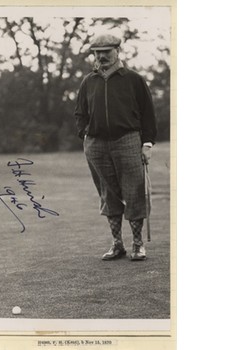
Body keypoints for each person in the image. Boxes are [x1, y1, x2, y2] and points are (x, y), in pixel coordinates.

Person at [74, 33, 157, 261]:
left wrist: (147, 143)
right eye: (98, 53)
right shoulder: (88, 81)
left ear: (117, 52)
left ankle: (138, 245)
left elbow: (148, 113)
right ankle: (117, 244)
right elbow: (80, 112)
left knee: (134, 191)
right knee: (107, 193)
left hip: (128, 140)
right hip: (96, 144)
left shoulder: (133, 79)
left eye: (106, 52)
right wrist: (85, 134)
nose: (102, 57)